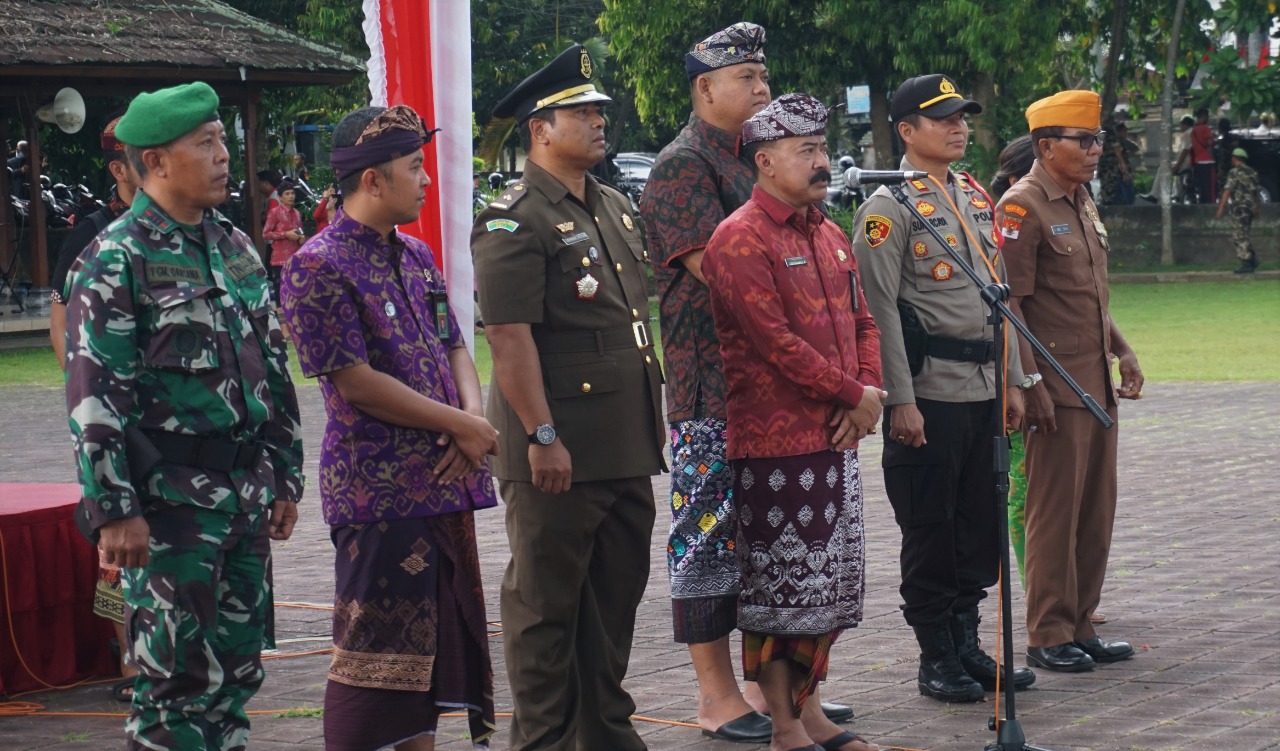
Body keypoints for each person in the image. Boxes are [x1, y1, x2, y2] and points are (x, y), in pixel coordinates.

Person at [63, 81, 304, 749]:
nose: (224, 155)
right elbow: (93, 396)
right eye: (206, 143)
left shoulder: (234, 246)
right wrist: (114, 509)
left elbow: (271, 369)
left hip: (243, 497)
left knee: (236, 678)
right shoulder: (116, 257)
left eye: (223, 139)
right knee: (174, 689)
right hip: (168, 509)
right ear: (156, 161)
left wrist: (285, 475)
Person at [640, 22, 851, 743]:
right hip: (713, 386)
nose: (762, 88)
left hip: (779, 389)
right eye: (746, 78)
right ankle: (716, 695)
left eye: (764, 75)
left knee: (776, 543)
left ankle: (781, 691)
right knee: (706, 539)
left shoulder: (767, 158)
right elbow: (722, 275)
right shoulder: (683, 166)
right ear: (705, 88)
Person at [281, 104, 499, 751]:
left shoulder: (417, 254)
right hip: (379, 495)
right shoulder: (316, 265)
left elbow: (454, 344)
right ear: (373, 180)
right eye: (414, 166)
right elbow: (355, 381)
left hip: (444, 483)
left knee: (424, 670)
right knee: (373, 662)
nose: (427, 179)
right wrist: (460, 424)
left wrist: (472, 420)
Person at [471, 43, 666, 751]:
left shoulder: (611, 204)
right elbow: (509, 337)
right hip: (557, 450)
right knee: (545, 612)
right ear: (539, 129)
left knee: (613, 605)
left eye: (598, 111)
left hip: (623, 444)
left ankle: (606, 734)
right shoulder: (512, 218)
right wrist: (541, 434)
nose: (598, 121)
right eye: (580, 113)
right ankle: (543, 741)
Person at [703, 92, 884, 751]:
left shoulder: (830, 233)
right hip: (776, 447)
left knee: (827, 589)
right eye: (805, 150)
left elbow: (864, 322)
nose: (821, 160)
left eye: (822, 147)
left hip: (836, 437)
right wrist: (854, 395)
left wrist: (867, 392)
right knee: (782, 593)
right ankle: (784, 726)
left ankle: (810, 713)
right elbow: (774, 343)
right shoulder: (739, 237)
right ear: (765, 161)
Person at [851, 74, 1035, 704]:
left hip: (984, 387)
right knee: (932, 527)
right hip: (929, 394)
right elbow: (877, 311)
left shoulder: (974, 195)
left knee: (979, 525)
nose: (959, 127)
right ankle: (935, 655)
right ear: (907, 131)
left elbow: (999, 297)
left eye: (962, 117)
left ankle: (966, 643)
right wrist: (899, 399)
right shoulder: (887, 210)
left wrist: (1014, 380)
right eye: (943, 119)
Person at [996, 89, 1144, 674]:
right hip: (1055, 384)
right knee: (1053, 513)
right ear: (1045, 146)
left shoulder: (1081, 201)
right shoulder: (1022, 206)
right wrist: (1028, 379)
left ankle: (1081, 624)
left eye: (1097, 139)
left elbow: (1089, 296)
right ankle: (1048, 632)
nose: (1095, 149)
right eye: (1083, 140)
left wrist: (1122, 349)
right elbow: (1011, 306)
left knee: (1094, 512)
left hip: (1095, 381)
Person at [47, 114, 141, 703]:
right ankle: (128, 658)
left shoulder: (199, 228)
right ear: (119, 169)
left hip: (175, 424)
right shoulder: (91, 233)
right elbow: (60, 327)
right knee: (114, 542)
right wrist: (89, 399)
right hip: (109, 418)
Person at [1216, 147, 1261, 274]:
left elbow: (1227, 190)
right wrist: (1258, 208)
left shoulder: (1234, 172)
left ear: (1235, 159)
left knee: (1239, 236)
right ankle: (1252, 259)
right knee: (1244, 234)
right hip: (1250, 208)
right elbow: (1256, 192)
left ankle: (1247, 262)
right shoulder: (1252, 172)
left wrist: (1220, 208)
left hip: (1239, 208)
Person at [262, 179, 304, 303]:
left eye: (292, 193)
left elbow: (299, 231)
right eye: (287, 194)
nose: (291, 196)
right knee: (281, 290)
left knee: (296, 290)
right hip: (279, 260)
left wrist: (302, 238)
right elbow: (265, 235)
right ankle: (281, 314)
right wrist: (285, 234)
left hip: (295, 257)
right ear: (280, 197)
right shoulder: (274, 213)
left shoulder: (297, 213)